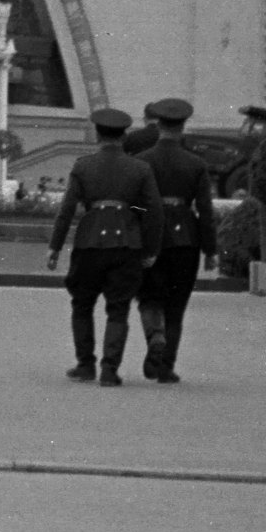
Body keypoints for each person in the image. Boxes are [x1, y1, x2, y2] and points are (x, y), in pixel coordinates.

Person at [48, 108, 164, 386]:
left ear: (98, 135)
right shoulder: (140, 168)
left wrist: (55, 246)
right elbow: (154, 211)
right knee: (118, 308)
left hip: (89, 241)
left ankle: (85, 364)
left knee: (82, 304)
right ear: (124, 136)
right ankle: (110, 369)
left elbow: (66, 210)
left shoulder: (82, 165)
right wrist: (150, 249)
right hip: (126, 244)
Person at [132, 98, 221, 385]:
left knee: (148, 297)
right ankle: (166, 367)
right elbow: (206, 210)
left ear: (157, 125)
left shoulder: (143, 160)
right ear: (183, 126)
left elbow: (135, 204)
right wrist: (210, 249)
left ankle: (154, 336)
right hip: (186, 238)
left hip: (151, 238)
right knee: (177, 304)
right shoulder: (196, 163)